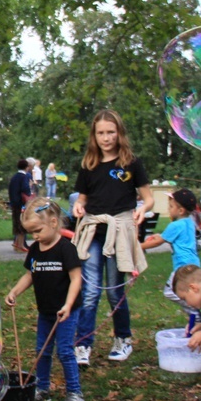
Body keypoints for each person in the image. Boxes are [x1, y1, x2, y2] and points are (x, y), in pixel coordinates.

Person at [71, 109, 153, 365]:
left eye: (110, 132)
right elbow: (82, 198)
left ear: (119, 133)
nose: (106, 138)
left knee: (115, 291)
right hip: (94, 231)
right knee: (90, 290)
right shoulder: (89, 165)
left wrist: (143, 209)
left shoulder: (131, 163)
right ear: (94, 136)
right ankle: (83, 343)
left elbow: (148, 197)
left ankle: (123, 339)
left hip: (119, 231)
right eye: (100, 133)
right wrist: (78, 207)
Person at [5, 198, 84, 401]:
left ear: (53, 222)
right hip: (46, 311)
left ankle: (75, 393)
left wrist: (68, 305)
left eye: (37, 230)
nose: (35, 236)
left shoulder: (66, 249)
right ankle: (42, 387)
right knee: (42, 351)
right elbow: (30, 275)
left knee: (66, 351)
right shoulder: (35, 251)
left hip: (66, 311)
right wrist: (15, 291)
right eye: (31, 232)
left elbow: (76, 279)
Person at [141, 188, 201, 320]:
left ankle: (196, 309)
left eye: (171, 206)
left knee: (170, 291)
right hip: (194, 264)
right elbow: (168, 237)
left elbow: (158, 243)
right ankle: (196, 316)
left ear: (180, 211)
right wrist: (159, 235)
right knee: (187, 292)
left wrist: (139, 246)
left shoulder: (175, 225)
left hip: (182, 266)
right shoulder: (189, 222)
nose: (169, 209)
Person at [8, 159, 32, 252]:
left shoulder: (14, 177)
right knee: (22, 224)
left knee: (16, 223)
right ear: (27, 167)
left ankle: (17, 243)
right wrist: (29, 187)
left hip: (14, 203)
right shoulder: (24, 177)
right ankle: (21, 245)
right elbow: (25, 189)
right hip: (21, 203)